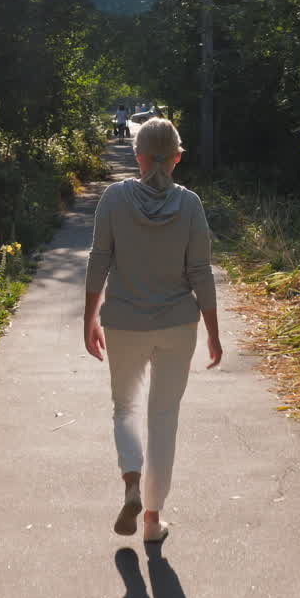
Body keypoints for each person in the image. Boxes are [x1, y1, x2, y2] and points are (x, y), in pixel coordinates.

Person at [83, 118, 222, 543]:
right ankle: (151, 520)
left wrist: (89, 319)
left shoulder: (113, 198)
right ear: (177, 158)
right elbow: (200, 272)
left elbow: (99, 259)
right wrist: (214, 333)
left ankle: (130, 480)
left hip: (124, 322)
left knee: (125, 408)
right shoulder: (191, 204)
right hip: (178, 324)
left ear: (137, 156)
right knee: (164, 417)